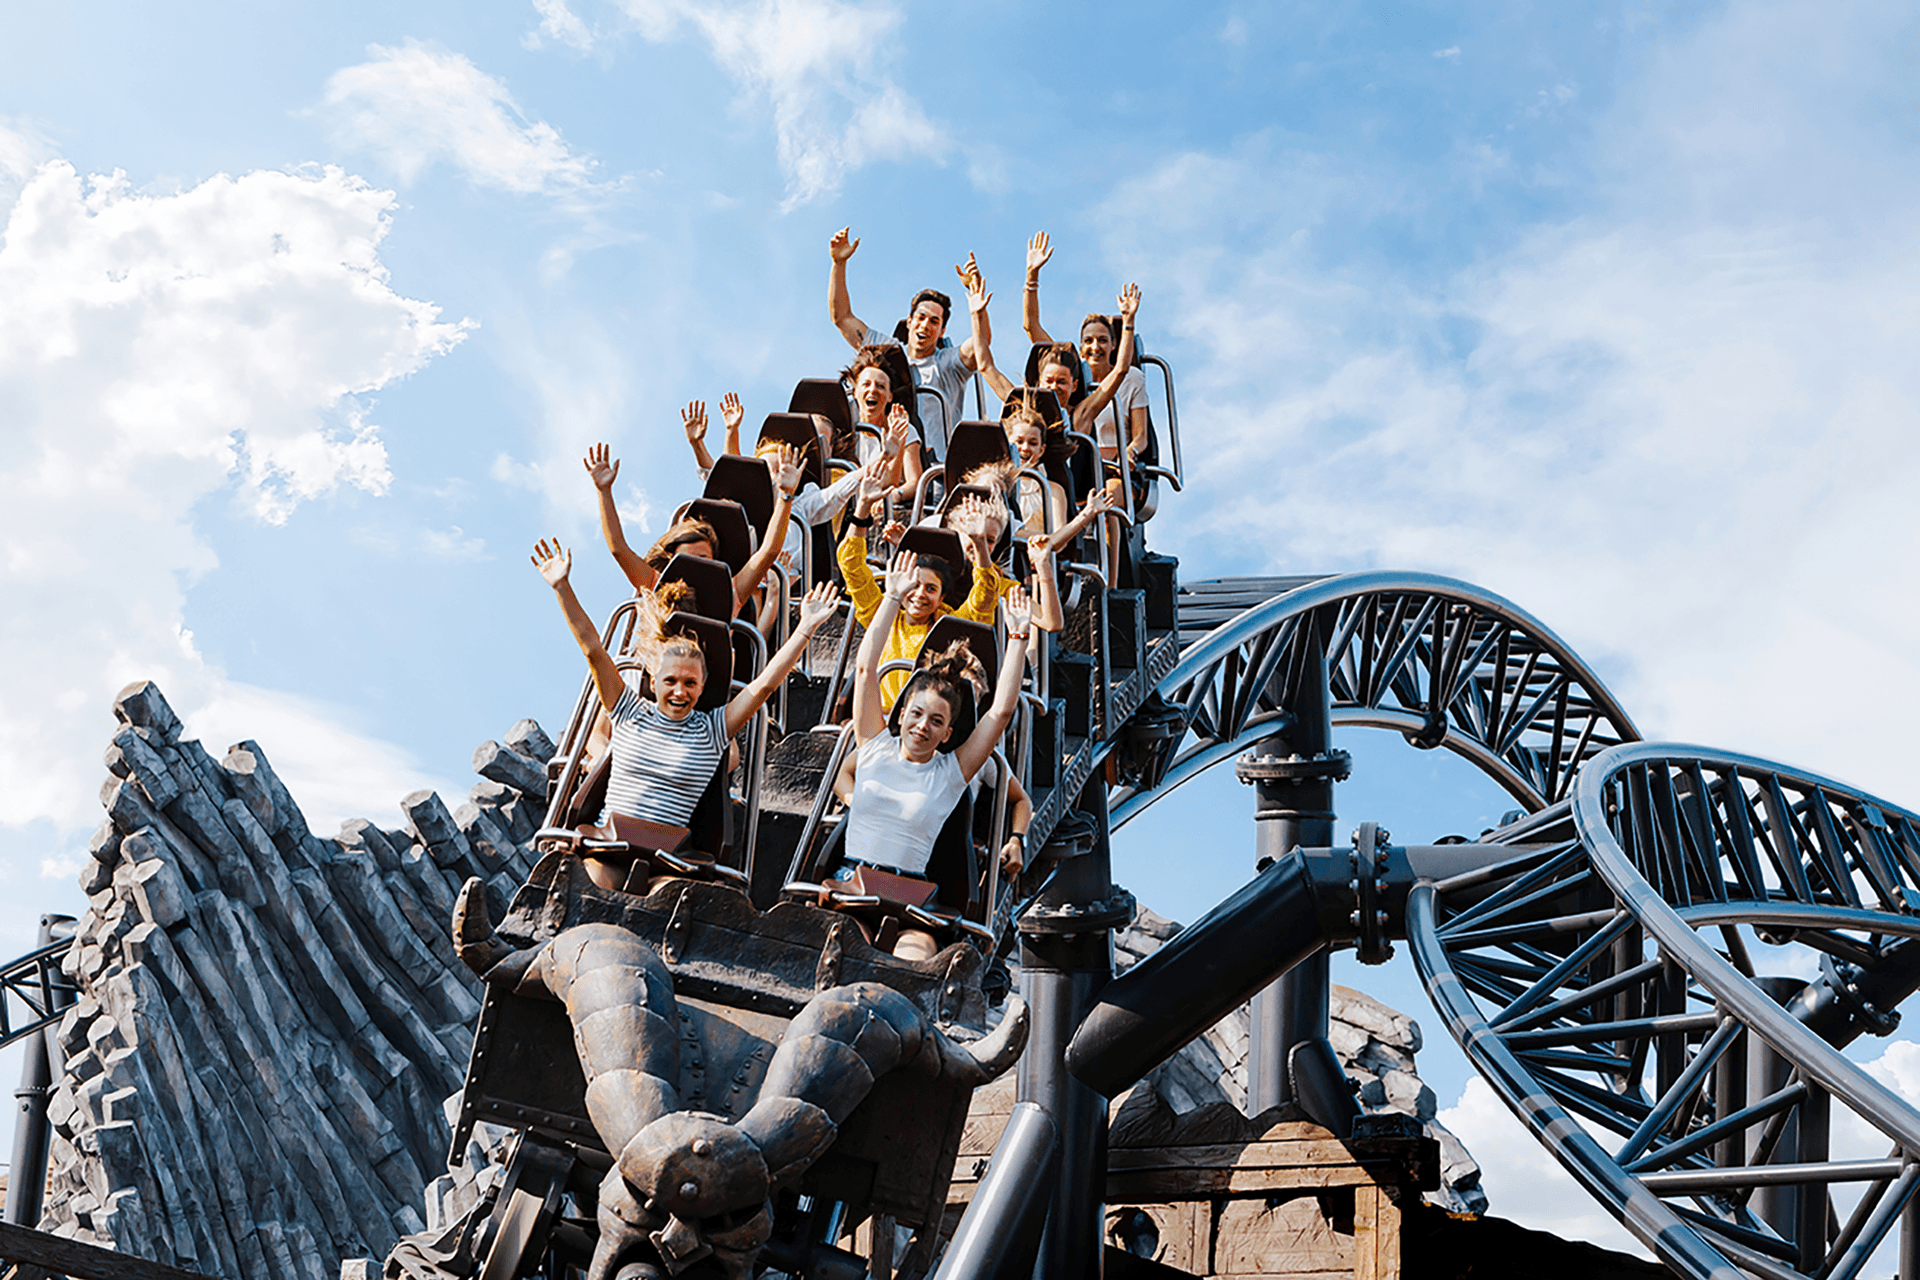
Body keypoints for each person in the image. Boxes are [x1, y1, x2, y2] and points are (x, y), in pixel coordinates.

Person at [531, 537, 841, 891]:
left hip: (669, 860)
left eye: (690, 683)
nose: (680, 691)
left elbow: (765, 686)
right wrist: (562, 587)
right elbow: (592, 647)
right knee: (592, 887)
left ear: (703, 685)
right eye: (671, 681)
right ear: (654, 680)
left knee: (672, 900)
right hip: (609, 845)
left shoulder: (712, 728)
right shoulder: (628, 710)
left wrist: (805, 629)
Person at [842, 553, 1033, 958]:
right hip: (853, 885)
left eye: (935, 721)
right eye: (916, 714)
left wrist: (1017, 640)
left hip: (912, 897)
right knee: (845, 943)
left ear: (948, 733)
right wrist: (891, 598)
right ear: (902, 714)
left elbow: (999, 713)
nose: (921, 726)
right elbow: (865, 670)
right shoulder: (874, 745)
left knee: (913, 959)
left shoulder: (950, 772)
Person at [837, 470, 1004, 707]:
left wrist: (979, 544)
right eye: (914, 585)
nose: (919, 595)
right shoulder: (883, 614)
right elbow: (851, 563)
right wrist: (862, 507)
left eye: (930, 589)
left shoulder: (948, 624)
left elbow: (985, 595)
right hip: (881, 718)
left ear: (942, 596)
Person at [584, 441, 804, 617]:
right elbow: (618, 548)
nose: (697, 565)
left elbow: (769, 551)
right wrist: (604, 492)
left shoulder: (730, 592)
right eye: (688, 558)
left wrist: (785, 496)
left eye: (703, 557)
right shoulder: (657, 584)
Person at [828, 227, 993, 462]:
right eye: (921, 318)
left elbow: (982, 343)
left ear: (942, 330)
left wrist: (978, 308)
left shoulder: (946, 364)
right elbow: (842, 317)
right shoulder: (887, 352)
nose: (925, 325)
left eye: (934, 321)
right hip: (881, 462)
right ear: (909, 322)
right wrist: (838, 263)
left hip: (934, 472)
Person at [1020, 231, 1151, 467]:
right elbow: (1031, 327)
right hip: (1075, 459)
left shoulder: (1130, 378)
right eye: (1089, 341)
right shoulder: (1069, 372)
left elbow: (1141, 436)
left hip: (1114, 464)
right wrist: (1032, 275)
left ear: (1113, 345)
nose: (1095, 346)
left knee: (1112, 488)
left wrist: (1127, 455)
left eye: (1102, 340)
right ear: (1081, 347)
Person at [844, 346, 922, 501]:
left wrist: (895, 496)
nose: (873, 390)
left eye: (880, 386)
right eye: (866, 384)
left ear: (889, 396)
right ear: (855, 392)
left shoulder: (903, 427)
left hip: (885, 506)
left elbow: (915, 482)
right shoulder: (845, 430)